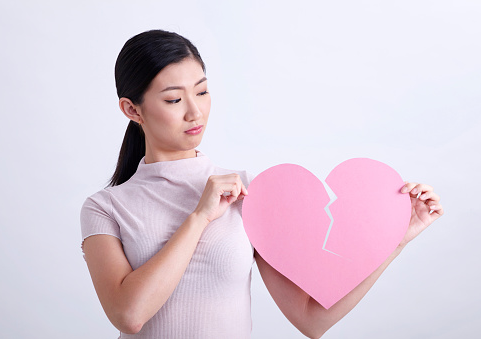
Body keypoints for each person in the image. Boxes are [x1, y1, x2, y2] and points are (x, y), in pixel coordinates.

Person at [80, 29, 444, 339]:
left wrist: (394, 241)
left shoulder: (249, 191)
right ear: (132, 110)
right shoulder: (104, 208)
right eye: (174, 99)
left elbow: (311, 319)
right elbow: (129, 315)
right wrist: (198, 217)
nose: (195, 111)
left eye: (202, 92)